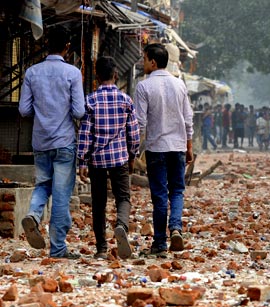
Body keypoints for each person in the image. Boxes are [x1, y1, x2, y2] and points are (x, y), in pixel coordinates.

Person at [18, 26, 85, 259]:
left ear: (47, 45)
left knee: (42, 185)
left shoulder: (31, 72)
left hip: (40, 141)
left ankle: (34, 216)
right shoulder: (73, 73)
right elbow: (79, 111)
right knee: (60, 194)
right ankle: (58, 248)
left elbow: (24, 110)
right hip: (64, 141)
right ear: (67, 47)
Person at [77, 56, 140, 260]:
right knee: (123, 197)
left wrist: (82, 160)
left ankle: (101, 248)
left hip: (96, 160)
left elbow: (85, 133)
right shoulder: (125, 100)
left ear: (96, 76)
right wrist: (133, 155)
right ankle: (121, 225)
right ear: (115, 75)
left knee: (98, 203)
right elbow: (134, 132)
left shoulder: (90, 100)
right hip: (120, 157)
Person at [135, 43, 194, 256]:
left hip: (156, 148)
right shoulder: (179, 85)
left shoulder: (144, 87)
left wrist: (133, 148)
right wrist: (189, 146)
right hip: (177, 146)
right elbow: (188, 119)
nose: (143, 64)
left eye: (144, 59)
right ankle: (176, 228)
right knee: (177, 191)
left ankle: (160, 243)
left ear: (153, 61)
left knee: (159, 194)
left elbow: (140, 123)